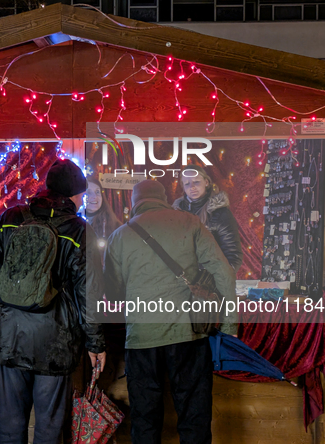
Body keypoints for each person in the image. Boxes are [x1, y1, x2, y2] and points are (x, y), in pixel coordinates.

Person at [0, 159, 106, 444]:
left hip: (9, 334)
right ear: (74, 194)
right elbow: (89, 291)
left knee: (11, 421)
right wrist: (95, 343)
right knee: (49, 425)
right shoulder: (78, 229)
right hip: (55, 340)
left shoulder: (10, 218)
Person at [104, 180, 237, 444]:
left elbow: (115, 295)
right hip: (187, 335)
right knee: (194, 417)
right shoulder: (190, 223)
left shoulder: (119, 236)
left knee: (144, 421)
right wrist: (231, 326)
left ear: (134, 202)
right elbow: (224, 273)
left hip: (142, 338)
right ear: (164, 198)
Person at [173, 165, 243, 270]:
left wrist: (215, 282)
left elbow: (233, 255)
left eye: (196, 182)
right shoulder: (175, 213)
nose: (192, 187)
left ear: (206, 182)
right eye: (187, 184)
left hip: (209, 281)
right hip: (180, 282)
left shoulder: (220, 213)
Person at [85, 176, 122, 245]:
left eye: (97, 192)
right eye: (88, 192)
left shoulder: (115, 226)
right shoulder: (73, 222)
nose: (95, 196)